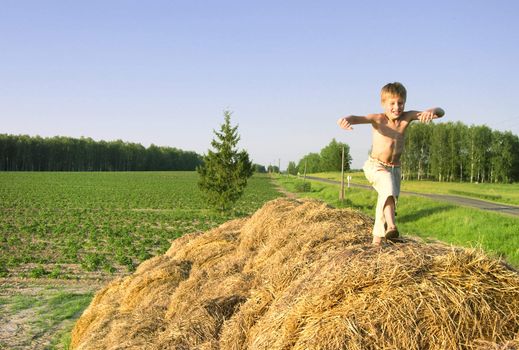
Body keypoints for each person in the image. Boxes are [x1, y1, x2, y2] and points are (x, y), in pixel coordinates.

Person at [337, 82, 445, 245]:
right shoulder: (378, 119)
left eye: (400, 103)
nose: (396, 107)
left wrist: (430, 111)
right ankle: (392, 226)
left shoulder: (406, 118)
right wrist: (345, 120)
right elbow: (357, 118)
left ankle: (377, 242)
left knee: (387, 199)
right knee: (387, 186)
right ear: (383, 104)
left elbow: (440, 112)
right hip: (376, 165)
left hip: (395, 168)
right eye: (392, 103)